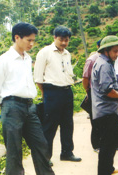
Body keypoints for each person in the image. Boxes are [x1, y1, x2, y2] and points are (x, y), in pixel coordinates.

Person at [0, 22, 68, 175]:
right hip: (11, 106)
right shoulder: (4, 60)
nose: (31, 44)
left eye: (33, 40)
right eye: (29, 40)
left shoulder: (26, 59)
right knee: (14, 150)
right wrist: (2, 104)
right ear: (17, 37)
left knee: (40, 144)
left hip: (29, 106)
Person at [34, 26, 81, 164]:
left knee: (68, 124)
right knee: (50, 125)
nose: (64, 43)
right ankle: (45, 157)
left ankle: (67, 152)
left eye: (66, 40)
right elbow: (38, 78)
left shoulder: (67, 54)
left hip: (67, 91)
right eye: (61, 40)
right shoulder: (45, 53)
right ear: (54, 38)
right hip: (52, 91)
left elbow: (69, 73)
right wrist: (45, 94)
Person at [91, 35, 118, 175]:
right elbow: (107, 90)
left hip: (108, 111)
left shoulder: (105, 62)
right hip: (105, 112)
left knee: (113, 142)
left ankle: (109, 168)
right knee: (107, 145)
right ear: (106, 50)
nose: (117, 54)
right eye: (115, 51)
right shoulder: (104, 65)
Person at [82, 39, 101, 152]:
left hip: (103, 93)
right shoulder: (91, 60)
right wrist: (87, 91)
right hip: (93, 92)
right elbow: (85, 78)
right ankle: (96, 145)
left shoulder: (108, 59)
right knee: (95, 120)